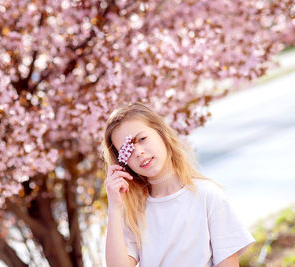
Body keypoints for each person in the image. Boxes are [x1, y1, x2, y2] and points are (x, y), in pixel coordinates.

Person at [102, 102, 255, 267]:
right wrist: (115, 207)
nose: (138, 152)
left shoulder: (207, 196)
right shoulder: (133, 213)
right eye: (128, 150)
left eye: (142, 139)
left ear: (161, 133)